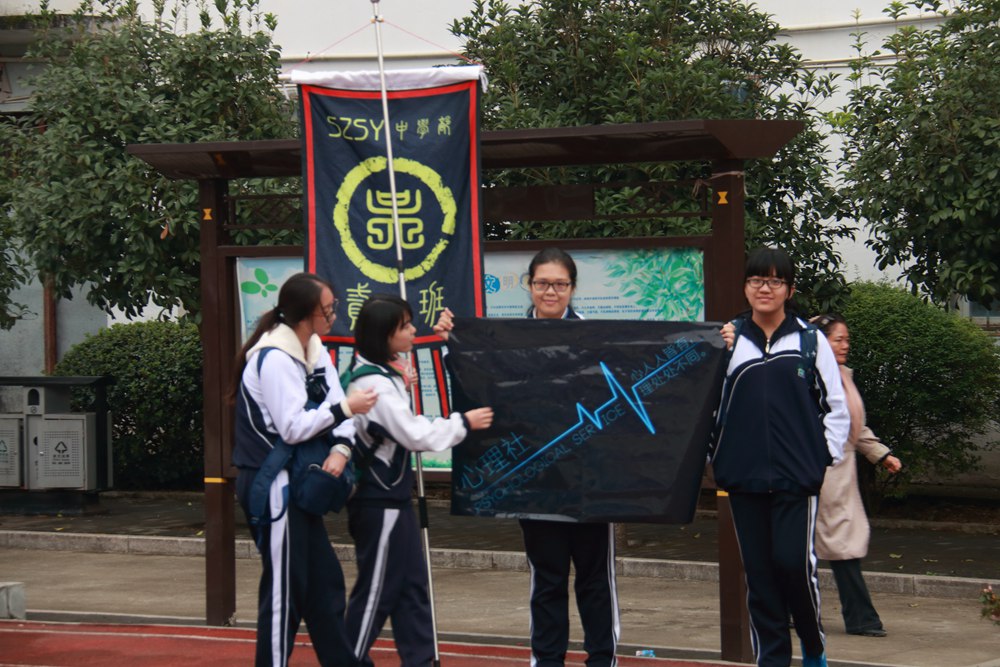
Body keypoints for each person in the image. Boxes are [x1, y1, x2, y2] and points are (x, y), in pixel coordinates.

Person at [435, 247, 620, 667]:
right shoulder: (507, 338)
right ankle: (546, 660)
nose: (550, 292)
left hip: (589, 482)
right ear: (529, 285)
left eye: (559, 284)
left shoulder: (598, 336)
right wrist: (453, 343)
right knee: (548, 578)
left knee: (595, 580)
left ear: (573, 288)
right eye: (542, 283)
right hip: (534, 479)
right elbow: (478, 379)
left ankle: (602, 659)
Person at [710, 247, 849, 667]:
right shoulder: (728, 339)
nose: (764, 288)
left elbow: (835, 407)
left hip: (796, 478)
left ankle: (812, 645)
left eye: (774, 281)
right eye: (756, 280)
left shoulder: (809, 340)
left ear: (789, 289)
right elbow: (707, 406)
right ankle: (772, 658)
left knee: (793, 565)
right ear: (745, 287)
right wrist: (717, 456)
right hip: (743, 476)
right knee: (760, 576)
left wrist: (821, 457)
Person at [231, 272, 378, 667]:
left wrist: (342, 448)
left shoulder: (313, 349)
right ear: (304, 314)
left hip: (297, 480)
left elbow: (338, 406)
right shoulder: (275, 357)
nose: (333, 316)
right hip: (274, 484)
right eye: (327, 310)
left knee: (324, 584)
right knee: (285, 591)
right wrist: (344, 410)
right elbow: (294, 427)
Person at [344, 293, 493, 667]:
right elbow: (414, 435)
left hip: (393, 499)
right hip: (377, 501)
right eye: (405, 326)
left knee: (412, 585)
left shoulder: (383, 374)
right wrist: (463, 423)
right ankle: (345, 658)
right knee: (377, 589)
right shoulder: (373, 385)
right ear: (384, 335)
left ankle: (421, 659)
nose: (413, 331)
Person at [810, 313, 902, 637]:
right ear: (821, 342)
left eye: (847, 339)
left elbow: (853, 424)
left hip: (840, 473)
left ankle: (799, 610)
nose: (845, 345)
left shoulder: (841, 375)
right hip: (820, 471)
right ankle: (861, 618)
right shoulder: (810, 376)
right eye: (838, 339)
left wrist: (880, 453)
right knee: (836, 545)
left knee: (831, 544)